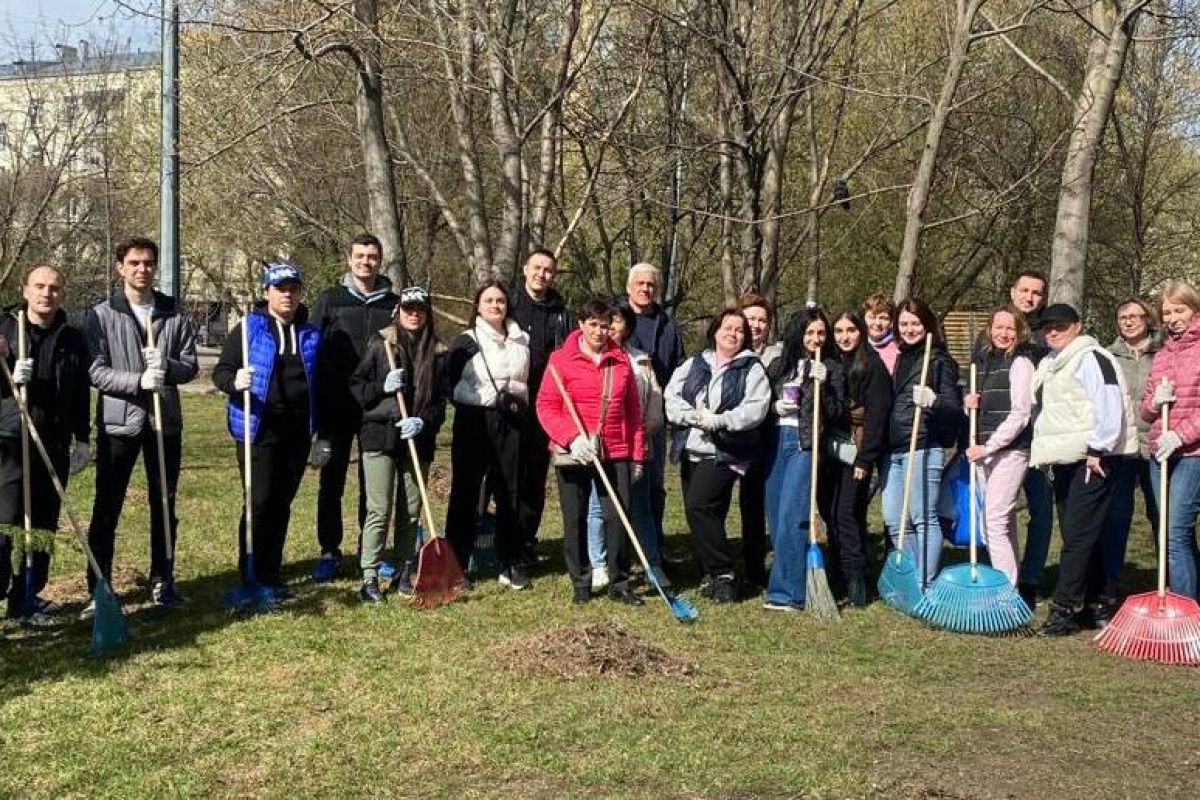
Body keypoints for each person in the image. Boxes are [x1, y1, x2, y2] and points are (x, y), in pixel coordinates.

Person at [85, 236, 199, 613]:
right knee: (107, 504)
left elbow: (190, 365)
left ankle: (162, 578)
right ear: (120, 267)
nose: (142, 269)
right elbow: (95, 370)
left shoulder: (173, 312)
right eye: (134, 263)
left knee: (164, 503)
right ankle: (99, 586)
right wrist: (136, 381)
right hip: (120, 422)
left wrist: (166, 369)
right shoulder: (102, 314)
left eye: (148, 263)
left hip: (164, 422)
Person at [211, 264, 321, 598]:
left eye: (292, 289)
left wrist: (322, 432)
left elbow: (322, 384)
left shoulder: (311, 333)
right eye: (280, 288)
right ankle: (251, 574)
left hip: (297, 431)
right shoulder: (248, 329)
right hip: (259, 428)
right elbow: (221, 372)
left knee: (282, 503)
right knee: (259, 501)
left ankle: (272, 574)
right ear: (266, 292)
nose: (287, 294)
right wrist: (234, 382)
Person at [1031, 304, 1137, 635]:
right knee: (1078, 532)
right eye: (1047, 327)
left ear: (1077, 326)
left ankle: (1065, 609)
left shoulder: (1092, 357)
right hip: (1064, 458)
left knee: (1078, 535)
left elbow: (1109, 402)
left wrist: (1098, 449)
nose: (1052, 332)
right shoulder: (1050, 363)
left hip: (1093, 457)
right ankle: (1094, 600)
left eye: (1059, 326)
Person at [538, 299, 646, 605]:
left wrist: (637, 455)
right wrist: (571, 438)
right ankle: (581, 584)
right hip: (574, 452)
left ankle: (620, 583)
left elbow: (634, 414)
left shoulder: (621, 360)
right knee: (576, 518)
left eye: (605, 325)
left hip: (616, 450)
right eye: (593, 324)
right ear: (581, 325)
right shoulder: (560, 360)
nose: (600, 331)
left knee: (618, 517)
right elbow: (546, 406)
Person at [0, 265, 91, 621]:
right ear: (25, 290)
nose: (46, 294)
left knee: (41, 526)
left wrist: (82, 437)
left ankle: (27, 596)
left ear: (62, 294)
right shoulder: (6, 329)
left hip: (52, 442)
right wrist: (6, 375)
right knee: (5, 523)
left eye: (54, 288)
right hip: (9, 439)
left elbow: (81, 391)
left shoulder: (72, 337)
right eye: (39, 286)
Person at [348, 287, 448, 603]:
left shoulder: (439, 352)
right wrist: (382, 387)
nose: (413, 314)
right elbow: (358, 388)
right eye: (408, 308)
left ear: (427, 313)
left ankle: (405, 570)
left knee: (411, 510)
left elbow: (440, 403)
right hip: (379, 436)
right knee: (379, 509)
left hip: (418, 441)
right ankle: (369, 577)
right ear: (399, 311)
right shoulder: (382, 344)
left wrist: (423, 422)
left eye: (419, 309)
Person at [664, 308, 771, 603]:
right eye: (727, 327)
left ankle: (724, 573)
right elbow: (671, 395)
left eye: (739, 330)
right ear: (715, 330)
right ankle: (709, 573)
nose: (732, 333)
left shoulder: (751, 368)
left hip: (728, 450)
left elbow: (755, 409)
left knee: (699, 506)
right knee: (709, 511)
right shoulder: (695, 363)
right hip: (692, 447)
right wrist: (693, 416)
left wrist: (721, 420)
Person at [310, 233, 399, 582]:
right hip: (336, 405)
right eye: (360, 255)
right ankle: (329, 550)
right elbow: (312, 349)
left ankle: (370, 548)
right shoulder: (330, 300)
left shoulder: (391, 305)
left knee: (373, 483)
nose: (366, 262)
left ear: (380, 261)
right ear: (349, 260)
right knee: (331, 482)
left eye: (372, 256)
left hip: (376, 405)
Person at [444, 281, 531, 589]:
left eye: (501, 301)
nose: (495, 305)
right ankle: (456, 564)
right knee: (465, 491)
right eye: (489, 300)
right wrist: (485, 399)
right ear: (477, 306)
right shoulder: (465, 341)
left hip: (512, 421)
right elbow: (451, 385)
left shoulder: (522, 340)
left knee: (510, 491)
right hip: (474, 421)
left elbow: (526, 381)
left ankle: (510, 560)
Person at [762, 308, 846, 611]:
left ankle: (789, 594)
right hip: (776, 442)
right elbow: (763, 402)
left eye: (821, 333)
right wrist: (776, 406)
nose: (815, 338)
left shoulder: (832, 368)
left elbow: (837, 412)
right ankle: (782, 581)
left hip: (805, 443)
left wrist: (823, 389)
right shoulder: (779, 365)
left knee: (792, 514)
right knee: (774, 514)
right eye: (810, 332)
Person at [880, 298, 962, 591]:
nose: (909, 329)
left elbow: (954, 408)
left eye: (916, 323)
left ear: (928, 326)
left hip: (923, 444)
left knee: (921, 517)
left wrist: (933, 400)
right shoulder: (902, 357)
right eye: (904, 323)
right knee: (893, 520)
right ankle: (914, 579)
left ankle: (925, 583)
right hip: (895, 448)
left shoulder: (939, 360)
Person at [584, 304, 664, 589]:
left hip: (637, 442)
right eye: (610, 323)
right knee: (598, 505)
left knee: (640, 504)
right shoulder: (595, 358)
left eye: (619, 323)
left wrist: (646, 430)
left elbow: (654, 397)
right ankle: (600, 564)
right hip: (602, 443)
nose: (614, 329)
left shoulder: (641, 359)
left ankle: (652, 563)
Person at [963, 306, 1036, 586]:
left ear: (1019, 333)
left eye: (1009, 329)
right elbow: (982, 407)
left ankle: (1004, 593)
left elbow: (1020, 414)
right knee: (999, 522)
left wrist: (989, 447)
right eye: (998, 327)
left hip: (1009, 451)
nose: (1003, 334)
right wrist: (967, 404)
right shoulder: (983, 362)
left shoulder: (1020, 363)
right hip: (984, 451)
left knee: (993, 520)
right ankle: (1011, 583)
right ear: (989, 329)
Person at [508, 248, 572, 566]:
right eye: (537, 268)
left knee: (534, 478)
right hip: (512, 403)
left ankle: (527, 540)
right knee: (508, 476)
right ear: (525, 269)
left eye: (548, 270)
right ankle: (500, 538)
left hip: (546, 405)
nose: (541, 274)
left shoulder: (560, 311)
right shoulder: (508, 303)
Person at [824, 309, 890, 606]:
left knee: (847, 514)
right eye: (838, 331)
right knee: (830, 513)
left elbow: (877, 417)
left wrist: (865, 460)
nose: (844, 337)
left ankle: (855, 581)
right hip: (831, 451)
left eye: (850, 330)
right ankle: (836, 575)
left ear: (860, 332)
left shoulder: (872, 366)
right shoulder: (832, 363)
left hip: (857, 452)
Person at [1142, 280, 1200, 602]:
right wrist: (1154, 403)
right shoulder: (1162, 354)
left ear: (1194, 309)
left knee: (1175, 531)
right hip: (1160, 453)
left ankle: (1185, 612)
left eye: (1180, 309)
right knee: (1170, 530)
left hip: (1193, 453)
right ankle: (1193, 598)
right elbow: (1146, 409)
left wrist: (1180, 435)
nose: (1173, 317)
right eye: (1167, 312)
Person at [622, 263, 685, 560]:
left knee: (654, 482)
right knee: (625, 482)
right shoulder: (616, 319)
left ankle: (653, 542)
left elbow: (678, 366)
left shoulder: (667, 324)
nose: (646, 289)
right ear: (629, 287)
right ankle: (622, 543)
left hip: (655, 413)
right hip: (621, 415)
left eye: (651, 284)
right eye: (640, 283)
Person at [1103, 297, 1160, 598]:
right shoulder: (1108, 357)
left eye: (1135, 316)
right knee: (1117, 516)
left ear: (1148, 320)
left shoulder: (1163, 354)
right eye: (1123, 317)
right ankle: (1109, 585)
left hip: (1157, 446)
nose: (1129, 321)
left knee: (1162, 515)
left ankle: (1176, 583)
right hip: (1122, 448)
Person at [1007, 269, 1053, 607]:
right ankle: (1005, 571)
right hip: (1002, 437)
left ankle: (1031, 578)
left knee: (1041, 509)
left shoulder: (1047, 335)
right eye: (1024, 291)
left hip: (1039, 437)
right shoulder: (999, 327)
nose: (1029, 297)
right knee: (1001, 510)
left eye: (1036, 293)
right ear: (1013, 292)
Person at [737, 293, 780, 587]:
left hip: (770, 438)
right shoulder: (729, 352)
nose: (755, 325)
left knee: (767, 501)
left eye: (762, 320)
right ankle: (745, 565)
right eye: (750, 319)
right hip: (736, 439)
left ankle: (770, 566)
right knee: (747, 504)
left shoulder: (777, 356)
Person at [862, 293, 900, 375]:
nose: (878, 323)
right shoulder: (859, 346)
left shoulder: (899, 349)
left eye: (883, 318)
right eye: (872, 317)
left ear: (891, 321)